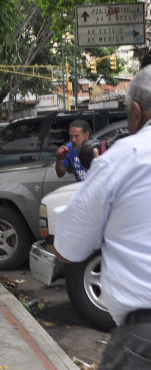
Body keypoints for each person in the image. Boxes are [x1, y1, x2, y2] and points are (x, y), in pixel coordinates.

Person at [53, 65, 151, 369]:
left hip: (142, 338)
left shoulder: (121, 158)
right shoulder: (74, 153)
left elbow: (66, 249)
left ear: (135, 111)